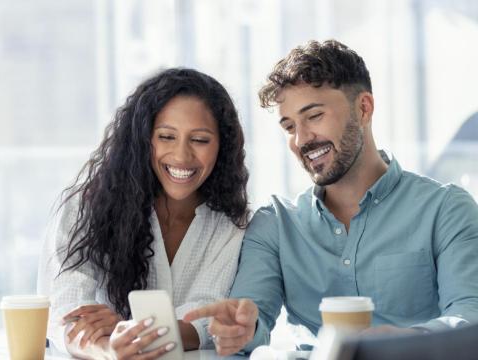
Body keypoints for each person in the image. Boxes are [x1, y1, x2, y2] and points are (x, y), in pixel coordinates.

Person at [184, 40, 478, 355]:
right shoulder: (277, 223)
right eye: (289, 126)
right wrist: (242, 329)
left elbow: (469, 316)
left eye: (314, 116)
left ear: (363, 109)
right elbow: (250, 319)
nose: (301, 139)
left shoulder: (446, 210)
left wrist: (399, 342)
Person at [37, 68, 250, 359]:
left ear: (221, 147)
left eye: (199, 140)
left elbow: (205, 318)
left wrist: (131, 330)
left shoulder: (228, 223)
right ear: (142, 139)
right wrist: (110, 349)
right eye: (166, 136)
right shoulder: (85, 207)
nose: (181, 156)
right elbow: (66, 312)